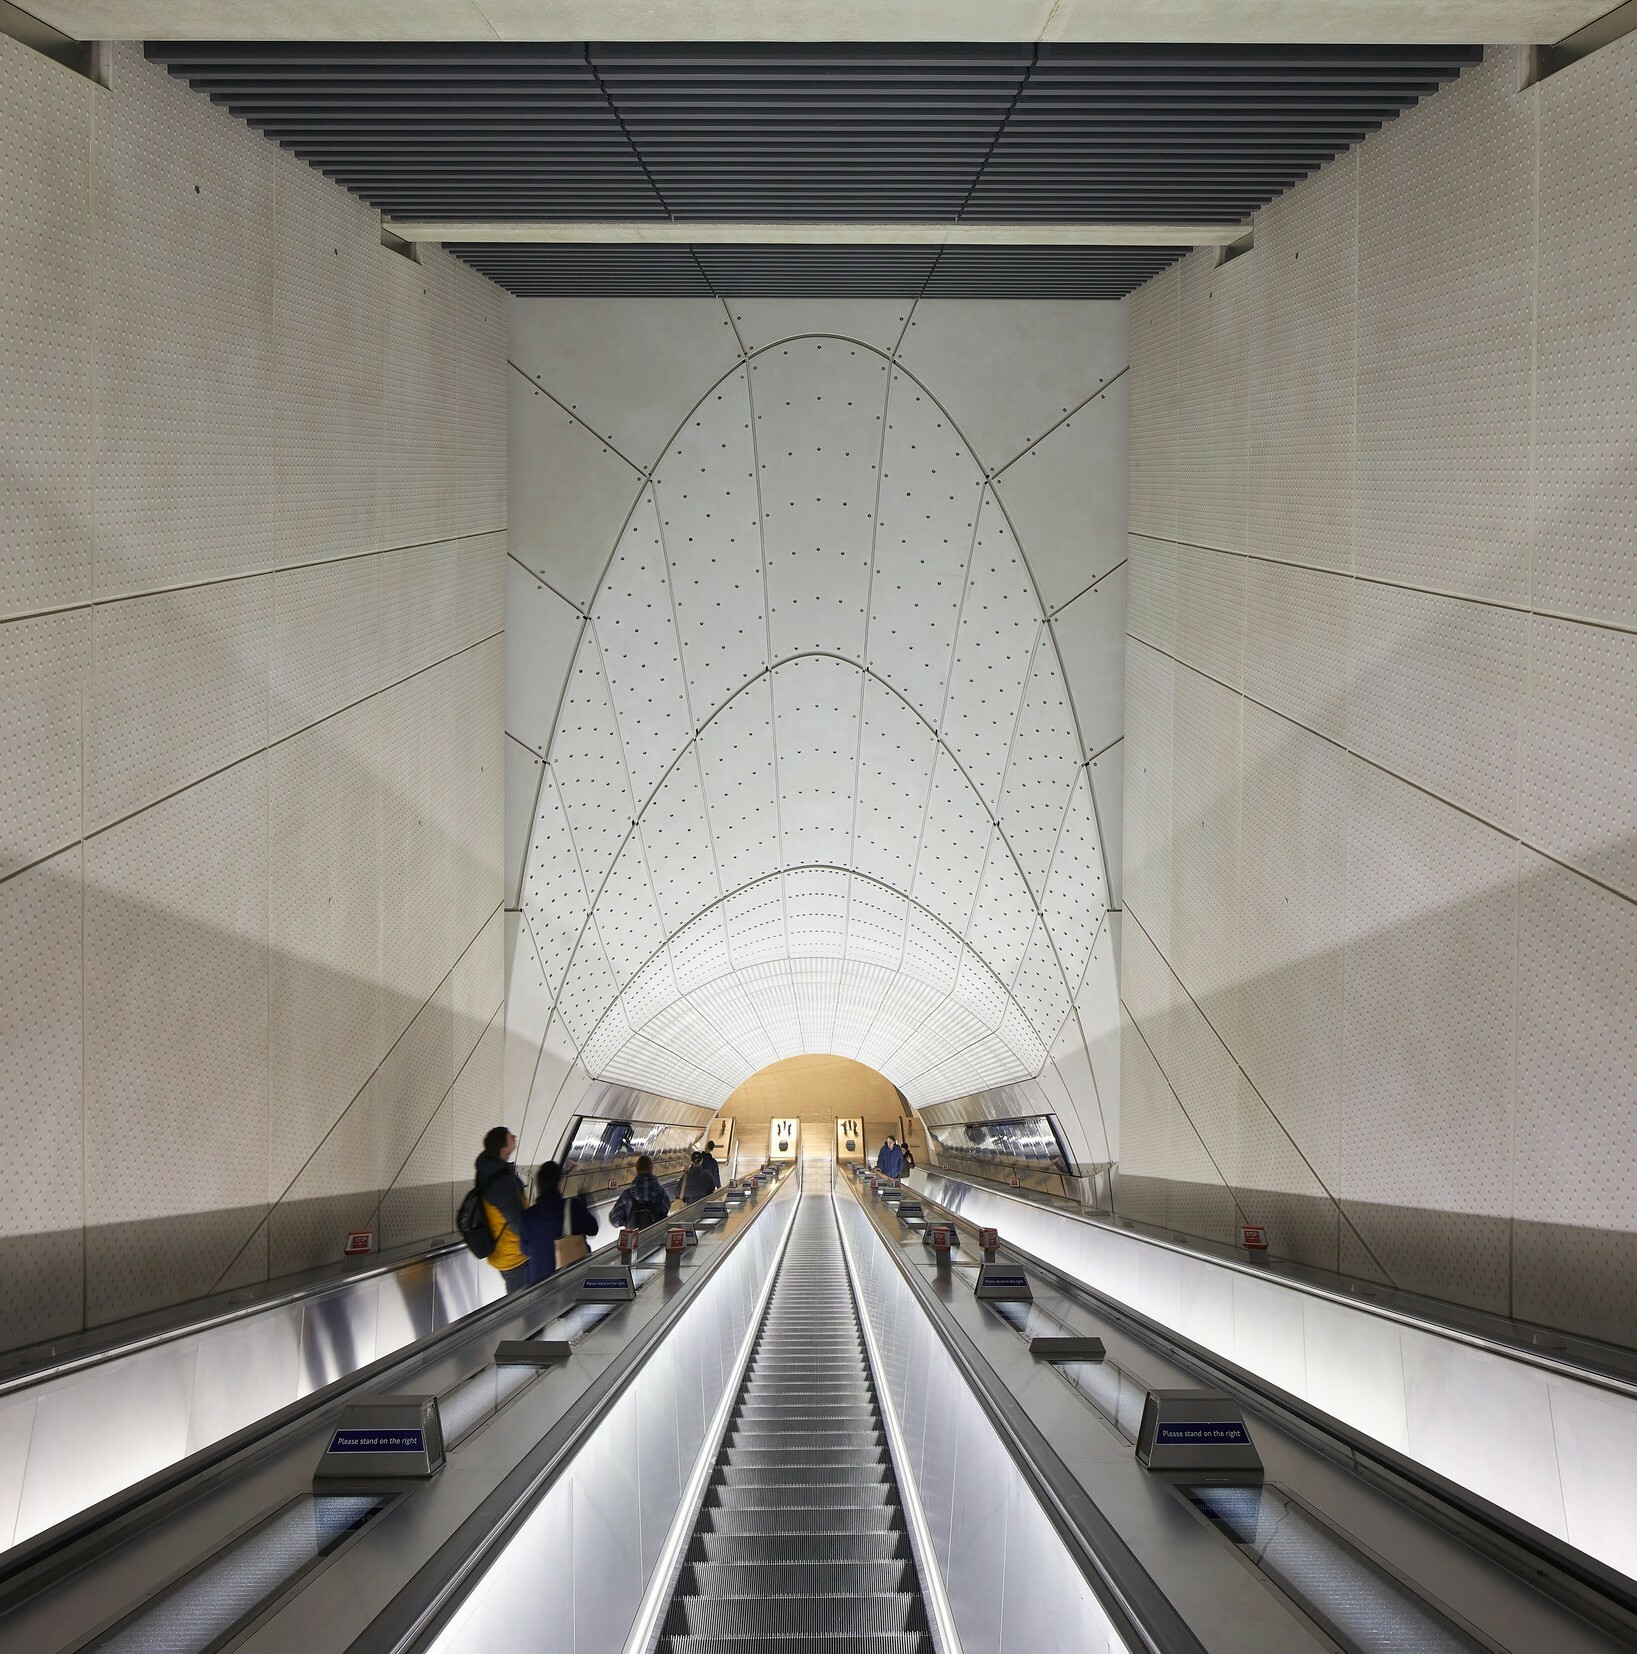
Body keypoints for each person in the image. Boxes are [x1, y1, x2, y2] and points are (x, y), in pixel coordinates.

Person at [518, 1161, 599, 1286]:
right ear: (558, 1183)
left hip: (538, 1282)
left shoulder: (528, 1216)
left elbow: (525, 1250)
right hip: (570, 1278)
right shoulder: (573, 1207)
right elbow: (593, 1229)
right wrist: (584, 1201)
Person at [475, 1125, 530, 1293]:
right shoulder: (501, 1182)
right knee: (524, 1309)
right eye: (510, 1136)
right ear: (504, 1150)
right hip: (515, 1257)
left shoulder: (489, 1172)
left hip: (506, 1253)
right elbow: (518, 1225)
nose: (514, 1137)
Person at [610, 1154, 669, 1228]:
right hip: (655, 1236)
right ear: (651, 1168)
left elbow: (614, 1220)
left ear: (637, 1168)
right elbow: (666, 1210)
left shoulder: (627, 1194)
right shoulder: (661, 1192)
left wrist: (628, 1221)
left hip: (634, 1237)